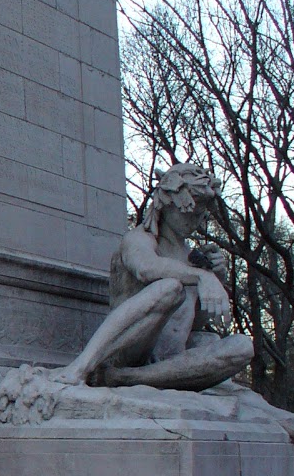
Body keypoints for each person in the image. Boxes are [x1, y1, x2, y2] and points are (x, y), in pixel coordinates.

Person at [51, 162, 252, 391]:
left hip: (170, 358)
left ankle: (126, 378)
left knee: (243, 346)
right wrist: (201, 278)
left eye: (200, 215)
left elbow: (191, 324)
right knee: (169, 288)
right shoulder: (139, 240)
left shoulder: (193, 257)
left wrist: (216, 277)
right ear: (167, 204)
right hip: (129, 350)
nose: (194, 221)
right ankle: (82, 366)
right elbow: (146, 268)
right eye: (189, 212)